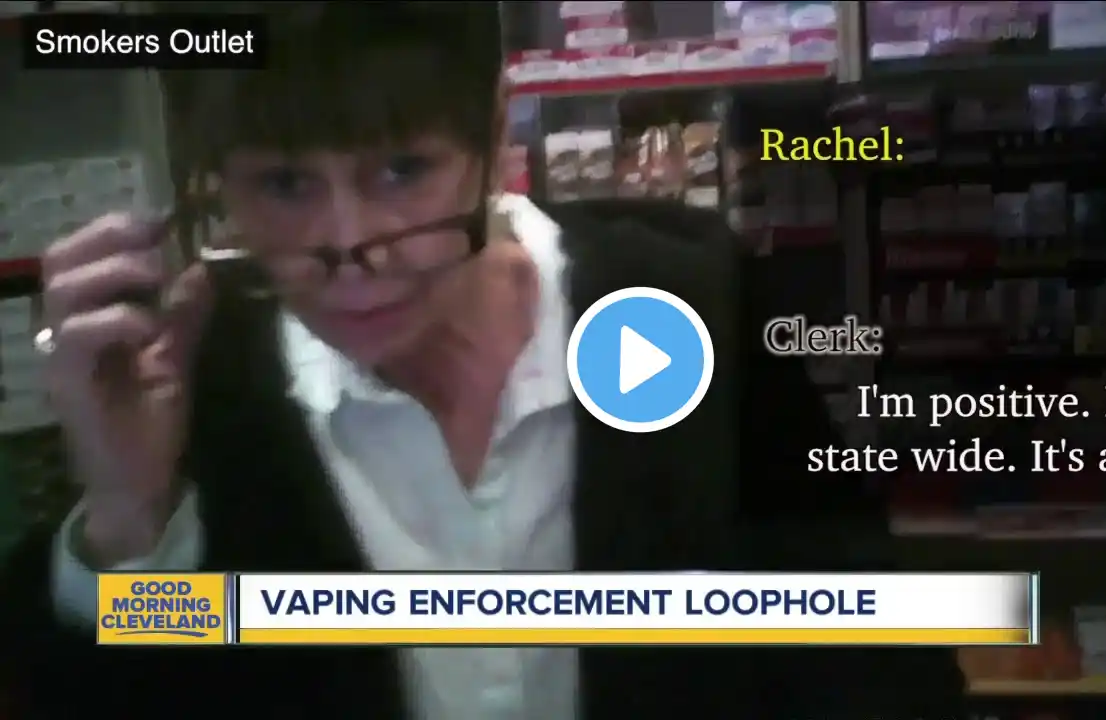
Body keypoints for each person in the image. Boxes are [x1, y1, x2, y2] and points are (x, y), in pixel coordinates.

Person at [0, 3, 964, 719]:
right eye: (286, 184)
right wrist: (129, 523)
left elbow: (871, 653)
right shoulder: (192, 396)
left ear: (495, 133)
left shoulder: (691, 300)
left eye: (402, 169)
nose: (352, 248)